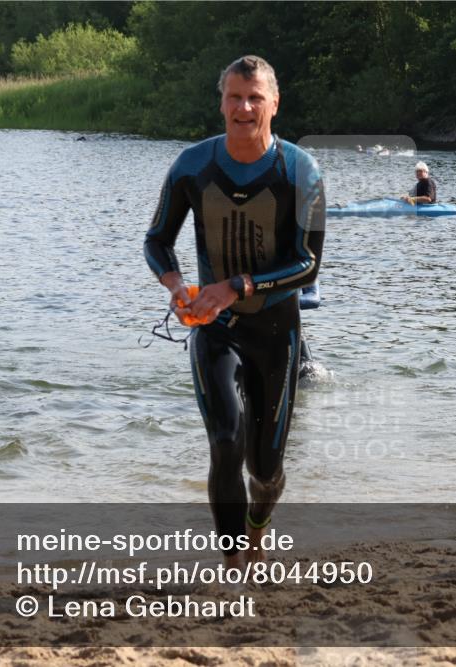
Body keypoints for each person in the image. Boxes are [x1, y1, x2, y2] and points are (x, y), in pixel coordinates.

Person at [144, 55, 325, 569]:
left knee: (265, 470)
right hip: (216, 330)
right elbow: (157, 241)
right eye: (233, 97)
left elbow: (307, 266)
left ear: (274, 103)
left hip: (276, 332)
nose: (243, 107)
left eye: (254, 97)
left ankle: (257, 527)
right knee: (225, 441)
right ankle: (234, 568)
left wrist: (236, 285)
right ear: (221, 101)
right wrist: (179, 286)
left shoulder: (300, 171)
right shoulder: (192, 166)